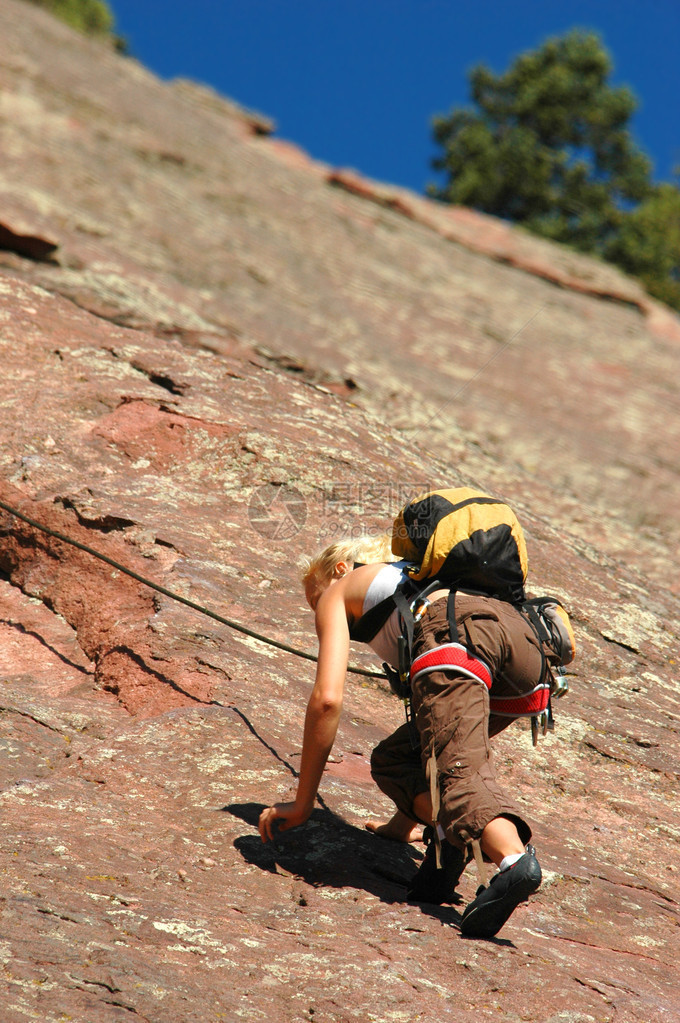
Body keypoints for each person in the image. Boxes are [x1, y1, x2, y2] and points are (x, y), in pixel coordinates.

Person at [258, 536, 543, 939]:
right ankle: (447, 838)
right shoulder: (412, 583)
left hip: (461, 638)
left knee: (460, 772)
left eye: (313, 599)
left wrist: (304, 803)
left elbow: (326, 700)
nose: (316, 610)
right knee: (397, 760)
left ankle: (514, 861)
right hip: (526, 657)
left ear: (339, 569)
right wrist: (398, 826)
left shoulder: (341, 590)